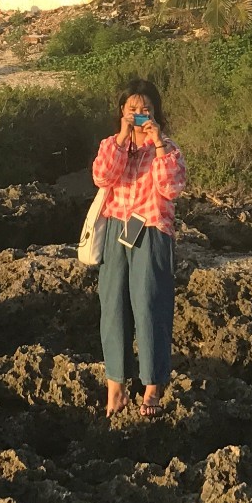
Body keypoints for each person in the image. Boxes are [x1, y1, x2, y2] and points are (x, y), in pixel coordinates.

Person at [90, 79, 187, 418]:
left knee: (149, 306)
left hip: (152, 228)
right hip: (117, 226)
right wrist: (121, 137)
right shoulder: (111, 144)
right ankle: (115, 386)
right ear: (121, 111)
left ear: (157, 112)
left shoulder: (169, 149)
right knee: (113, 306)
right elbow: (103, 177)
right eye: (132, 108)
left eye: (146, 108)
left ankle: (152, 386)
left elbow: (171, 188)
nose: (139, 114)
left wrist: (157, 142)